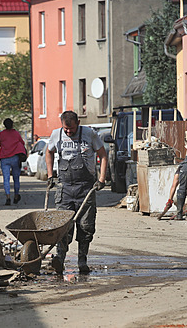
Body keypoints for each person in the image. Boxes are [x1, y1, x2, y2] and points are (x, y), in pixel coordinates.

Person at [46, 111, 108, 274]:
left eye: (71, 129)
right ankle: (59, 259)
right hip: (65, 188)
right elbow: (49, 152)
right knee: (62, 226)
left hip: (86, 188)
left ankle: (82, 261)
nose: (68, 132)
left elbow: (103, 155)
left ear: (78, 123)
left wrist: (101, 179)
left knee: (86, 226)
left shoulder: (89, 134)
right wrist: (50, 175)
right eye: (65, 129)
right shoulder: (56, 135)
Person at [0, 118, 26, 205]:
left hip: (4, 158)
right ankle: (16, 195)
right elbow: (22, 143)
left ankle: (8, 197)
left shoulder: (1, 134)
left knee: (6, 179)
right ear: (12, 124)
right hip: (15, 158)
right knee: (16, 178)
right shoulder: (16, 133)